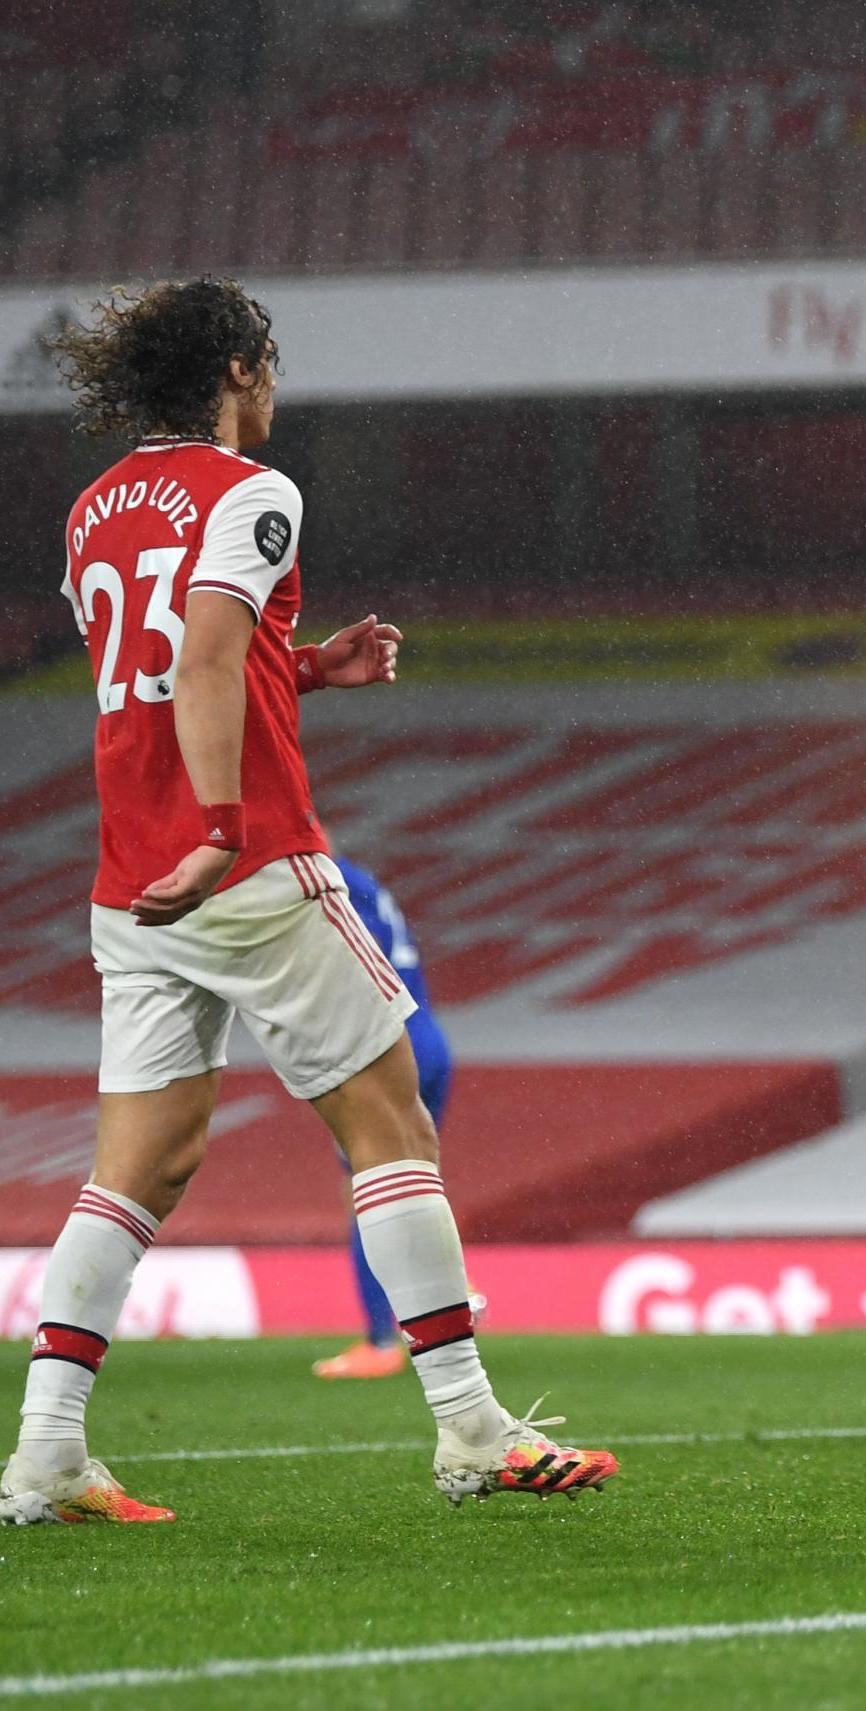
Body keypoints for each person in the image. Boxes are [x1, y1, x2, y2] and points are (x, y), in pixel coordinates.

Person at [0, 278, 615, 1525]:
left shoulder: (93, 508)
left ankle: (46, 1451)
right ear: (234, 369)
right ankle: (472, 1428)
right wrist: (228, 826)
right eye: (266, 366)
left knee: (138, 1171)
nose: (273, 390)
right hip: (247, 861)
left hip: (132, 881)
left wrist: (308, 672)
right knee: (391, 1130)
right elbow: (208, 655)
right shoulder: (253, 492)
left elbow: (160, 676)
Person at [312, 855, 454, 1381]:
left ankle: (380, 1340)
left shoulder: (316, 876)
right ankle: (445, 1313)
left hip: (385, 1044)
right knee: (416, 1186)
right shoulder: (359, 876)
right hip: (427, 1036)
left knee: (368, 1193)